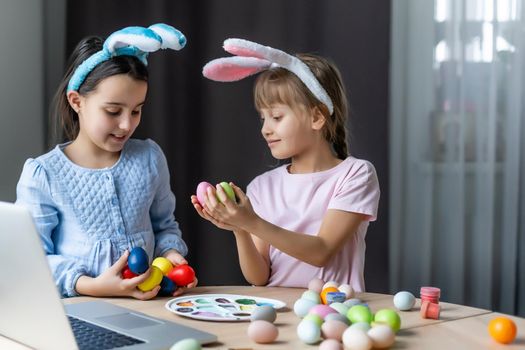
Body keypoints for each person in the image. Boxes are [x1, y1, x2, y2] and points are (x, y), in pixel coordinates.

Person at [16, 24, 197, 299]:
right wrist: (91, 286)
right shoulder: (43, 175)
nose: (126, 124)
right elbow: (32, 259)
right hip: (80, 312)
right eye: (113, 111)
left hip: (149, 307)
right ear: (77, 101)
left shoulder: (149, 158)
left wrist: (171, 256)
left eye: (136, 110)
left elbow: (164, 226)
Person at [192, 38, 380, 292]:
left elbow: (322, 251)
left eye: (277, 117)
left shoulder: (356, 174)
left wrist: (251, 222)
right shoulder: (262, 186)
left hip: (335, 312)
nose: (265, 129)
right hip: (279, 312)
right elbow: (258, 277)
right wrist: (240, 229)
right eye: (263, 118)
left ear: (316, 117)